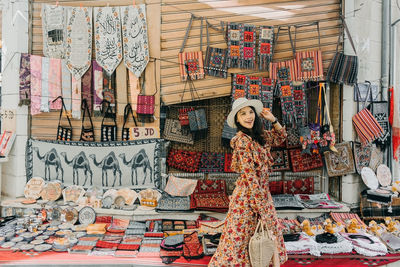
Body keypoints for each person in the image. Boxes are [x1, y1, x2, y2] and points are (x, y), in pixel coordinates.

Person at [209, 98, 288, 266]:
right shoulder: (242, 141)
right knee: (240, 239)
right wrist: (261, 206)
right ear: (237, 119)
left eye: (250, 112)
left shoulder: (260, 136)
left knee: (263, 237)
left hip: (261, 194)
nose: (248, 117)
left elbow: (281, 137)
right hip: (247, 197)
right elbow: (250, 175)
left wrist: (273, 120)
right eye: (243, 114)